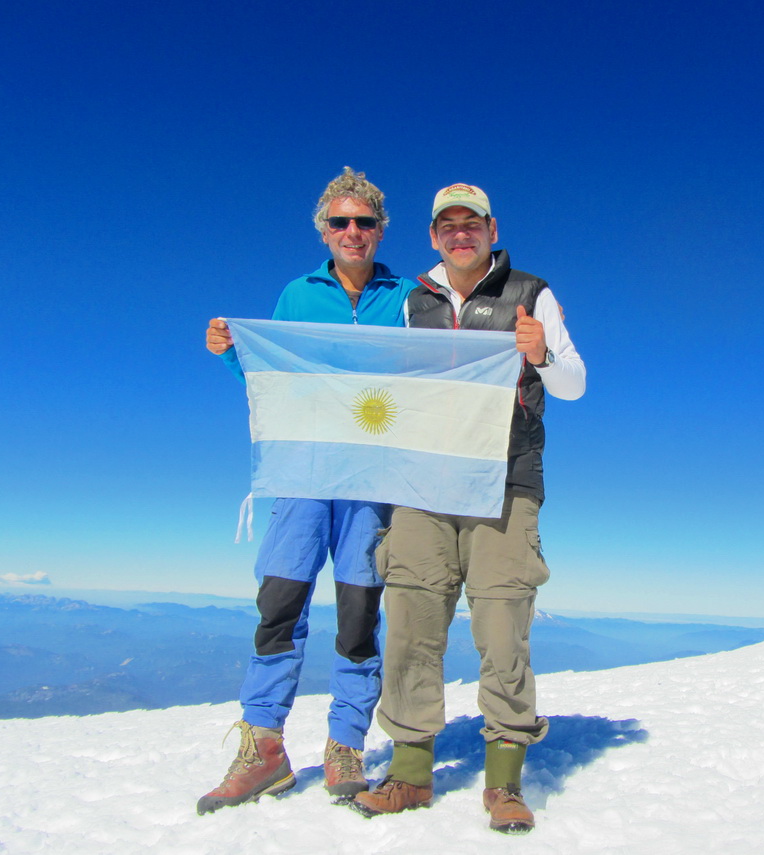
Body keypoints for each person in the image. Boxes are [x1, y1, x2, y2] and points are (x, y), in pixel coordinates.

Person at [351, 183, 586, 833]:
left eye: (471, 223)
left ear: (491, 228)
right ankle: (410, 772)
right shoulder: (410, 301)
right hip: (424, 482)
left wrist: (540, 353)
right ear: (432, 236)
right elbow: (378, 380)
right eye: (447, 224)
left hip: (506, 480)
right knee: (411, 618)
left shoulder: (530, 293)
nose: (460, 233)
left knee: (503, 622)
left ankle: (505, 781)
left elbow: (574, 383)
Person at [197, 168, 413, 814]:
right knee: (282, 602)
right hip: (302, 473)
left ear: (380, 229)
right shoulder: (298, 293)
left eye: (365, 222)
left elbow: (436, 373)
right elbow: (274, 371)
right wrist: (232, 351)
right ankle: (263, 745)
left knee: (358, 611)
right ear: (324, 230)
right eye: (340, 222)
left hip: (371, 477)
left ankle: (345, 741)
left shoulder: (405, 297)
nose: (353, 232)